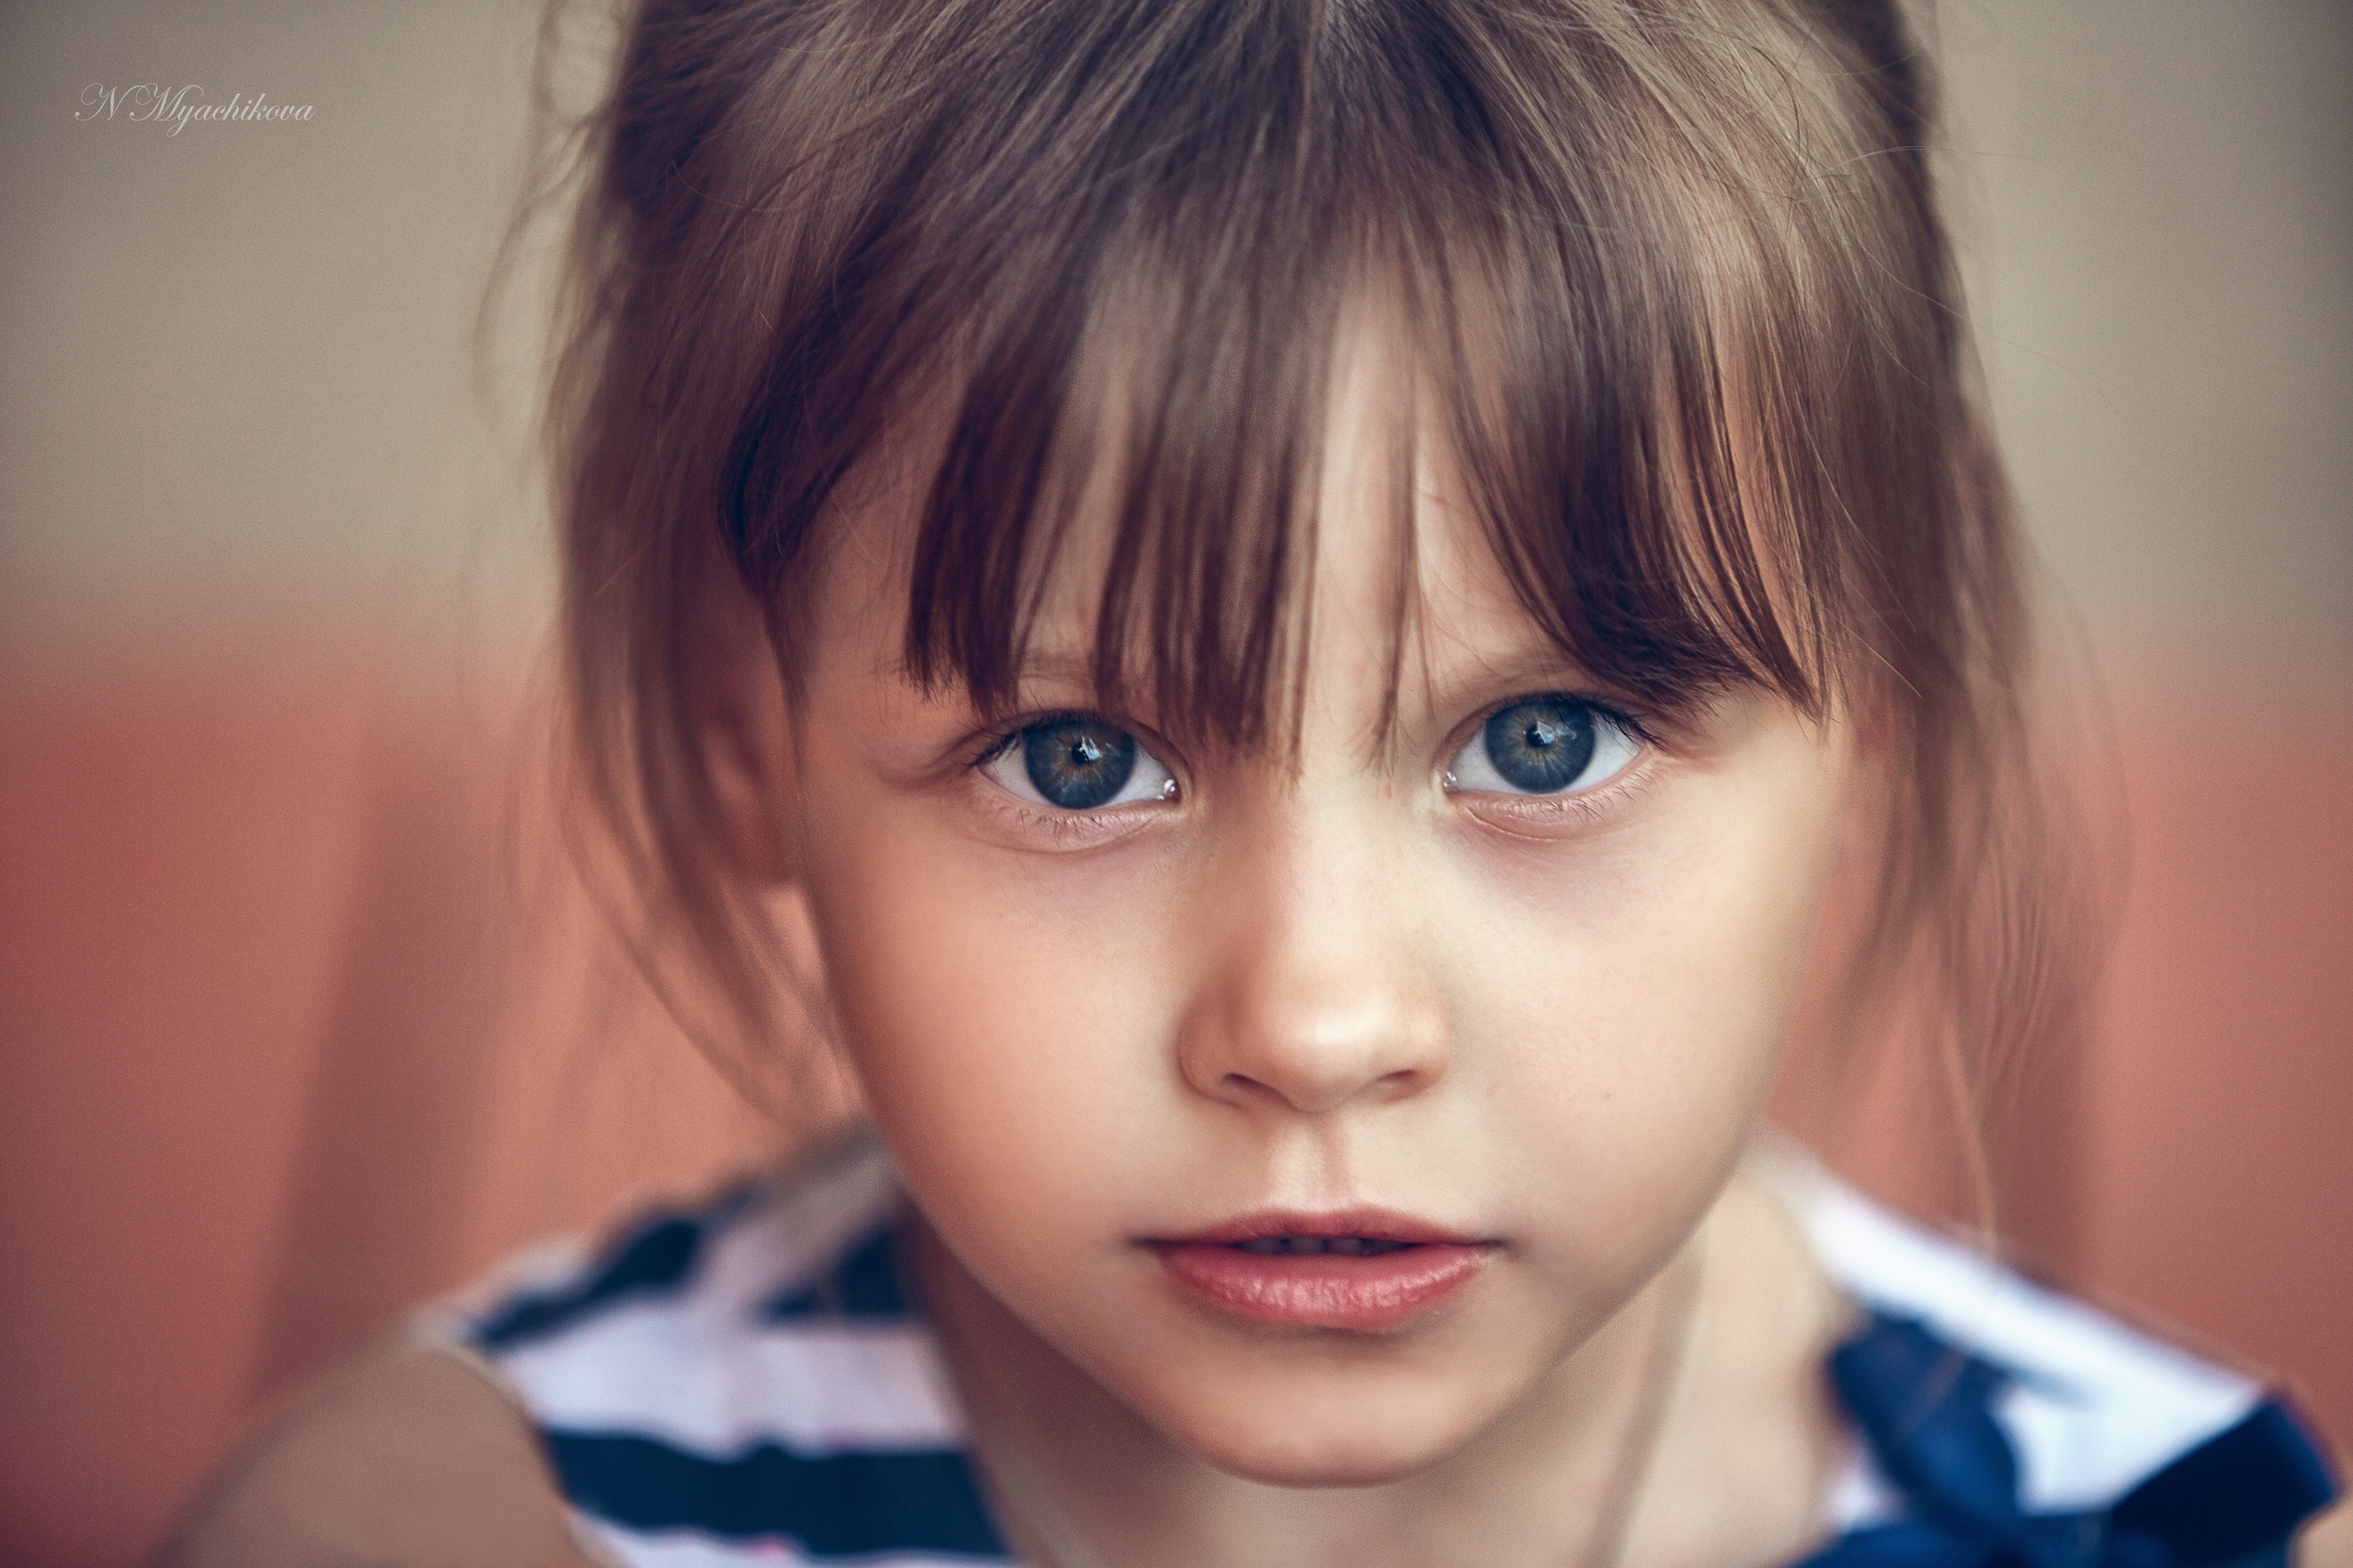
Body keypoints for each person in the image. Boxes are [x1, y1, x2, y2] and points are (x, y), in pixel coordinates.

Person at [161, 1, 2346, 1563]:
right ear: (748, 736)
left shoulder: (2165, 1529)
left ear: (1870, 689)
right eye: (1079, 756)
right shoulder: (475, 1524)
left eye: (1542, 738)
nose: (1312, 1023)